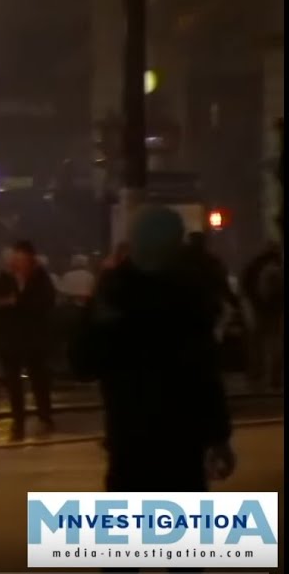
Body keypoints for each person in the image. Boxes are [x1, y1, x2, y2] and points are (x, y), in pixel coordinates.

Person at [71, 206, 234, 493]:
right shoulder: (188, 294)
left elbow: (82, 363)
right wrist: (218, 436)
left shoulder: (113, 292)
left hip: (129, 438)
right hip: (181, 441)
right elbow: (205, 373)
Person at [0, 240, 56, 441]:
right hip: (11, 337)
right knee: (13, 382)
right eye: (15, 259)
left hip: (34, 337)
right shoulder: (5, 277)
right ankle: (18, 421)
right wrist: (8, 302)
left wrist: (20, 302)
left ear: (30, 260)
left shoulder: (40, 277)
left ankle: (45, 416)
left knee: (39, 378)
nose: (17, 263)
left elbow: (47, 302)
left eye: (21, 259)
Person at [240, 244, 284, 392]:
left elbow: (246, 285)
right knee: (275, 342)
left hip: (260, 309)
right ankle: (275, 377)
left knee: (258, 342)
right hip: (273, 310)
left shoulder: (256, 265)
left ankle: (257, 373)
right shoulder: (276, 268)